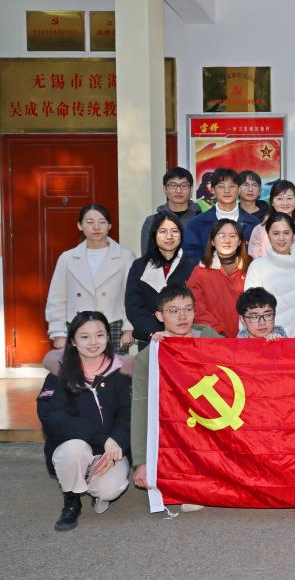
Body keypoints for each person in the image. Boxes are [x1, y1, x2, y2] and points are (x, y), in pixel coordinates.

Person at [37, 311, 131, 532]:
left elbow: (128, 415)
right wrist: (102, 439)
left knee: (111, 489)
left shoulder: (122, 371)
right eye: (85, 336)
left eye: (99, 335)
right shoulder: (59, 372)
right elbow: (53, 417)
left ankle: (91, 483)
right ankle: (72, 499)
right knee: (74, 450)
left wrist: (116, 446)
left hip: (109, 449)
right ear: (73, 341)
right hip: (76, 446)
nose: (93, 342)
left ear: (108, 337)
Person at [131, 284, 221, 513]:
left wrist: (270, 342)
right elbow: (141, 409)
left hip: (216, 423)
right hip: (177, 429)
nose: (183, 316)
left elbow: (245, 359)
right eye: (173, 311)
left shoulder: (210, 339)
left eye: (188, 309)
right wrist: (142, 461)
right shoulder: (149, 356)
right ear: (159, 316)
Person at [45, 204, 135, 355]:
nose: (96, 227)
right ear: (80, 226)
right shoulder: (67, 258)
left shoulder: (125, 256)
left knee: (115, 369)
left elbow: (131, 295)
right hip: (77, 325)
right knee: (77, 369)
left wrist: (129, 328)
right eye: (90, 222)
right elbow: (57, 297)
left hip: (113, 325)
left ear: (109, 226)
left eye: (102, 222)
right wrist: (58, 332)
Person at [124, 211, 198, 345]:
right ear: (154, 235)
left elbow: (197, 305)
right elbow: (133, 306)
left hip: (185, 338)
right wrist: (155, 332)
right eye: (163, 231)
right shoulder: (139, 266)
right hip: (150, 338)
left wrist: (174, 332)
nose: (169, 236)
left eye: (174, 231)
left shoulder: (193, 265)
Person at [244, 212, 295, 338]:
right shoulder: (257, 266)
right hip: (271, 338)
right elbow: (250, 308)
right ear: (268, 235)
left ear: (294, 234)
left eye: (286, 233)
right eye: (276, 233)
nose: (281, 238)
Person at [186, 219, 250, 337]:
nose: (227, 240)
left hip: (248, 337)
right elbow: (196, 307)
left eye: (232, 236)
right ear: (212, 241)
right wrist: (218, 332)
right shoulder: (200, 271)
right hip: (213, 337)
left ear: (240, 241)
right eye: (221, 236)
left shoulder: (251, 267)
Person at [183, 168, 261, 259]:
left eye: (232, 186)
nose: (227, 191)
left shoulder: (255, 224)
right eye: (221, 186)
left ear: (239, 189)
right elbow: (191, 258)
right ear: (212, 190)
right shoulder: (197, 224)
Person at [246, 180, 295, 258]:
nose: (285, 203)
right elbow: (256, 261)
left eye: (289, 198)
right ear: (272, 202)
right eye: (279, 198)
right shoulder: (260, 230)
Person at [139, 168, 202, 254]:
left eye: (184, 186)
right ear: (165, 189)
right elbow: (146, 258)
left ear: (190, 189)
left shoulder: (203, 220)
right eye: (173, 185)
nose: (178, 190)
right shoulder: (152, 221)